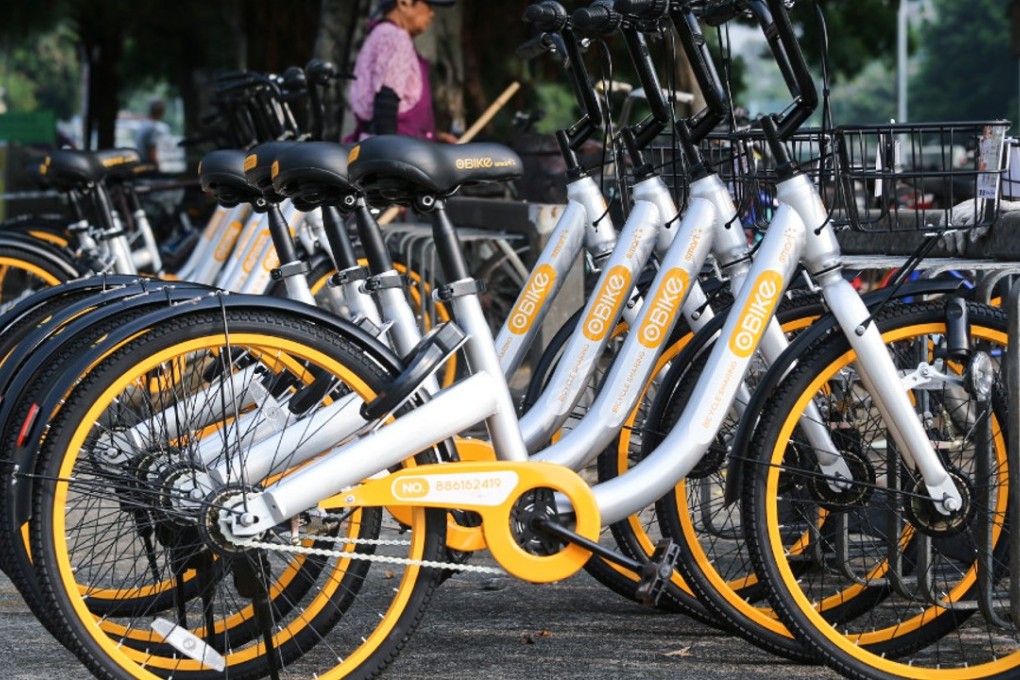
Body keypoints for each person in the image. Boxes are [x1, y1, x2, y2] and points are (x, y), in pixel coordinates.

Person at [347, 0, 458, 142]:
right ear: (404, 3)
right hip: (397, 152)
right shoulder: (396, 38)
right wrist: (390, 153)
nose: (432, 13)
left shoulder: (380, 34)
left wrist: (434, 138)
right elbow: (386, 103)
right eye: (428, 6)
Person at [134, 98, 169, 168]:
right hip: (147, 165)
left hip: (140, 162)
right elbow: (152, 152)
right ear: (161, 111)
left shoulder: (144, 124)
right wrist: (157, 165)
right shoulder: (152, 128)